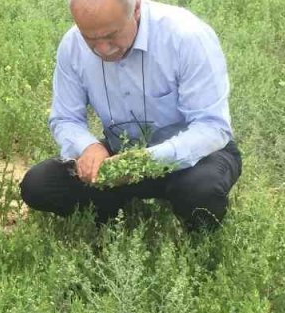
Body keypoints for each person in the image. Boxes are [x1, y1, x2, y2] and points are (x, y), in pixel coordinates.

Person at [20, 0, 242, 232]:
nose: (103, 49)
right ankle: (119, 216)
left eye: (112, 35)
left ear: (136, 9)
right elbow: (66, 118)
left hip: (193, 157)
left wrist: (146, 162)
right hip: (120, 154)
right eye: (91, 39)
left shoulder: (185, 36)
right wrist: (89, 147)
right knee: (39, 185)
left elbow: (212, 127)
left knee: (200, 190)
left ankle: (197, 238)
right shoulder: (72, 45)